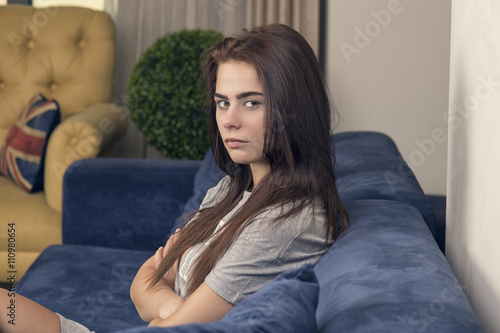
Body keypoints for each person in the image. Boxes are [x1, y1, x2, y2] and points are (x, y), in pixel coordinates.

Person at [0, 23, 349, 332]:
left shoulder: (285, 223)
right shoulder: (232, 188)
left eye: (251, 102)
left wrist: (163, 307)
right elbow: (143, 283)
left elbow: (165, 306)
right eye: (222, 102)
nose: (229, 120)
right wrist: (172, 310)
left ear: (294, 108)